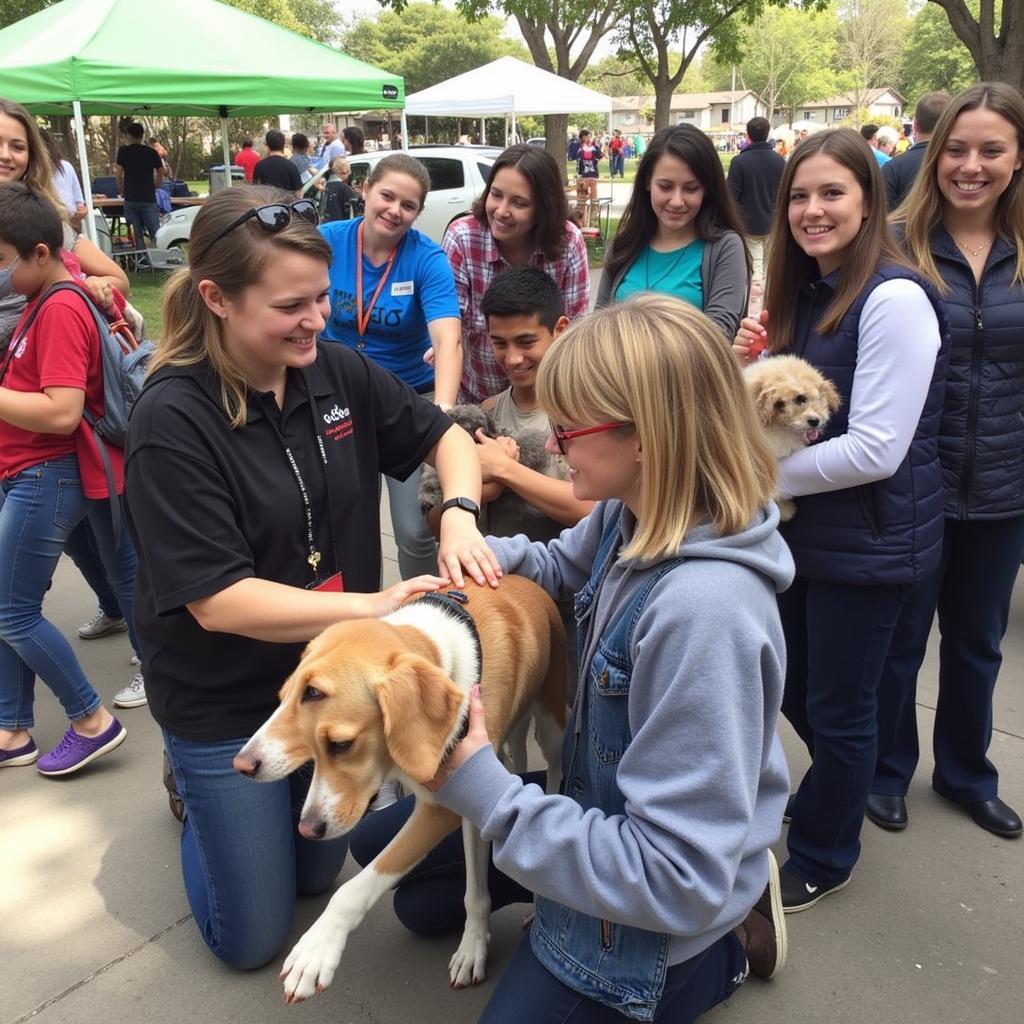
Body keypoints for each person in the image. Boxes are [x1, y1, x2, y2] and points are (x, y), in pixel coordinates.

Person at [353, 292, 792, 1022]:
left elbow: (674, 875)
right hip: (605, 801)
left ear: (646, 437)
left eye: (569, 427)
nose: (552, 445)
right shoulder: (635, 511)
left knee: (447, 835)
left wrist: (484, 787)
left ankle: (725, 951)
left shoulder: (704, 614)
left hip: (654, 926)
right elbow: (557, 563)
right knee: (406, 885)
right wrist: (469, 553)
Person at [123, 183, 500, 969]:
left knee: (324, 863)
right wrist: (377, 602)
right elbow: (218, 602)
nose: (318, 320)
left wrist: (458, 511)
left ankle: (250, 817)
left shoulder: (335, 372)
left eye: (323, 298)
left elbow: (449, 438)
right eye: (291, 305)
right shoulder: (172, 419)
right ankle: (196, 788)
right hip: (227, 692)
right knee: (255, 938)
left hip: (334, 692)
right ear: (217, 299)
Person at [733, 127, 949, 911]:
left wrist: (750, 475)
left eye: (833, 193)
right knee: (791, 682)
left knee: (841, 704)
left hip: (871, 538)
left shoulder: (893, 298)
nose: (813, 210)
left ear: (870, 201)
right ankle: (836, 787)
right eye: (800, 195)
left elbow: (877, 451)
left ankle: (826, 849)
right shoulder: (804, 291)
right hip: (803, 535)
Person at [869, 82, 1024, 840]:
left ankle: (967, 773)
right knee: (902, 641)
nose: (970, 165)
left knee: (977, 641)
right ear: (933, 155)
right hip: (915, 483)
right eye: (956, 149)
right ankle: (886, 771)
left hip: (1004, 485)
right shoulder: (896, 243)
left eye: (990, 150)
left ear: (1017, 157)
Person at [0, 182, 137, 775]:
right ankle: (12, 730)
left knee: (11, 612)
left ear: (37, 252)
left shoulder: (57, 306)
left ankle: (90, 719)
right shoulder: (45, 297)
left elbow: (60, 410)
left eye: (1, 260)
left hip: (45, 476)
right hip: (36, 474)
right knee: (10, 606)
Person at [424, 267, 592, 678]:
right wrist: (480, 490)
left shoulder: (585, 412)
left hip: (570, 601)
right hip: (499, 599)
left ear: (560, 329)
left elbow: (594, 514)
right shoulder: (483, 413)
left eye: (526, 342)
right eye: (500, 344)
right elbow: (434, 521)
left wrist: (506, 470)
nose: (513, 358)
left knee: (566, 718)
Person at [319, 154, 462, 581]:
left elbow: (448, 339)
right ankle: (358, 614)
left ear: (418, 212)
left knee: (414, 530)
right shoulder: (327, 241)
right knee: (339, 521)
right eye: (387, 196)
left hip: (403, 401)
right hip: (335, 398)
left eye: (408, 205)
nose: (394, 210)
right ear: (364, 190)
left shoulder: (426, 259)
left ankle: (419, 612)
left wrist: (443, 410)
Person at [443, 144, 589, 405]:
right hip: (478, 398)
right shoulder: (462, 238)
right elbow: (450, 332)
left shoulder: (568, 242)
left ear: (543, 208)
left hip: (545, 403)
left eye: (519, 203)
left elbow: (574, 334)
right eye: (496, 195)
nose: (501, 211)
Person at [596, 124, 750, 340]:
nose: (677, 201)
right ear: (648, 182)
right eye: (666, 187)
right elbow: (597, 326)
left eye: (691, 188)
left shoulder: (724, 247)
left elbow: (718, 336)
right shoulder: (622, 245)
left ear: (707, 189)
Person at [727, 116, 787, 292]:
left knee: (753, 267)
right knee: (771, 268)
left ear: (748, 135)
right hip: (774, 222)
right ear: (768, 134)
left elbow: (732, 195)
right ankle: (768, 303)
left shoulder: (739, 162)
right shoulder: (779, 161)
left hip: (748, 223)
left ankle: (753, 306)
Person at [882, 91, 952, 210]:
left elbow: (883, 218)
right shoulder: (959, 167)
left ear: (915, 125)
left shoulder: (892, 168)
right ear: (951, 124)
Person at [115, 121, 164, 249]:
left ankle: (141, 259)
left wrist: (121, 189)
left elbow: (118, 173)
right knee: (155, 232)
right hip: (148, 197)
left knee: (136, 234)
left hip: (130, 197)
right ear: (142, 135)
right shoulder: (151, 152)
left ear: (129, 136)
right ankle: (159, 257)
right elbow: (161, 170)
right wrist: (157, 184)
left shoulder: (124, 151)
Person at [40, 129, 86, 232]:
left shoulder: (66, 167)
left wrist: (80, 212)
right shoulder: (28, 173)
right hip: (45, 229)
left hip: (71, 227)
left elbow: (80, 203)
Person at [252, 129, 302, 196]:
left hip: (266, 205)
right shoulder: (291, 166)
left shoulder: (259, 166)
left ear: (267, 147)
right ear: (283, 146)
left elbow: (255, 191)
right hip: (286, 205)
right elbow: (299, 194)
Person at [574, 129, 602, 227]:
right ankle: (581, 223)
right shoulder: (580, 148)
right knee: (582, 201)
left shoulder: (594, 147)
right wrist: (579, 176)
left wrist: (596, 145)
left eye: (590, 136)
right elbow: (578, 163)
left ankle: (593, 223)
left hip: (593, 175)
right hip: (584, 176)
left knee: (594, 200)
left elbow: (600, 156)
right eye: (588, 136)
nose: (589, 138)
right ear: (583, 137)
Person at [322, 155, 359, 222]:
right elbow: (353, 214)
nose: (350, 173)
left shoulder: (324, 186)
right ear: (344, 171)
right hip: (340, 227)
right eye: (349, 169)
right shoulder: (344, 189)